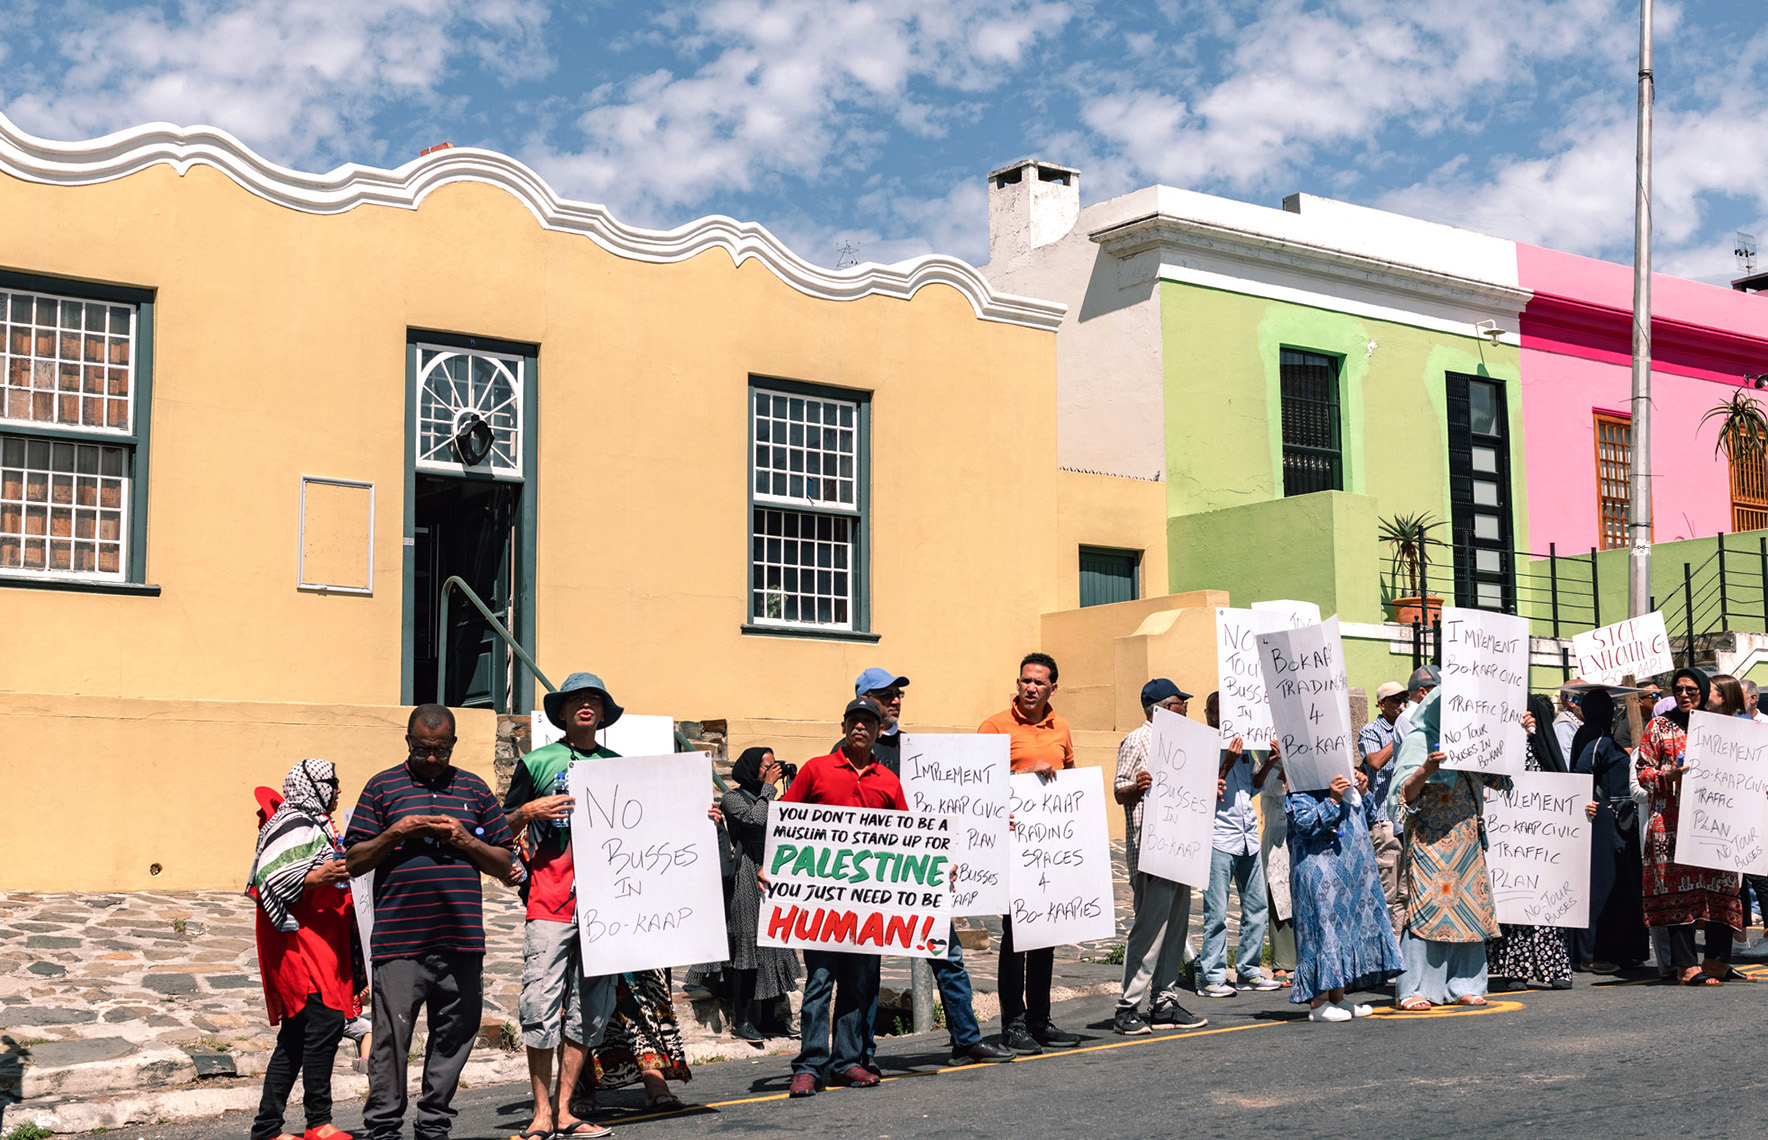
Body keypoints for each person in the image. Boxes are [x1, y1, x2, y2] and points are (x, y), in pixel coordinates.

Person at [343, 705, 515, 1140]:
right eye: (422, 750)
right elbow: (354, 860)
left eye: (439, 750)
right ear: (407, 742)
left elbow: (503, 860)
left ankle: (433, 1122)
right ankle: (383, 1127)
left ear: (453, 745)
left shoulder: (474, 791)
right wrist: (396, 833)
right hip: (399, 941)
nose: (432, 759)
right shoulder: (383, 787)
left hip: (460, 938)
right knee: (390, 1039)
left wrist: (460, 838)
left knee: (455, 1034)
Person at [847, 671, 1011, 1066]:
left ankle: (966, 1039)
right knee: (867, 970)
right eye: (886, 695)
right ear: (864, 700)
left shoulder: (919, 749)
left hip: (920, 873)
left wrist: (991, 819)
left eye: (898, 694)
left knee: (949, 958)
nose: (896, 700)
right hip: (871, 877)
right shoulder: (849, 750)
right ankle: (864, 1053)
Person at [501, 673, 624, 1139]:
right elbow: (499, 827)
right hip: (549, 899)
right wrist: (527, 813)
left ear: (602, 712)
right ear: (564, 711)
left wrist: (700, 816)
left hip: (607, 908)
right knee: (540, 1003)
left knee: (591, 1009)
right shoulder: (536, 762)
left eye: (594, 698)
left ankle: (565, 1108)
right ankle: (540, 1113)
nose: (586, 705)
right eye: (577, 699)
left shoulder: (618, 765)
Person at [780, 696, 906, 1097]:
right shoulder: (816, 769)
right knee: (819, 983)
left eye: (868, 722)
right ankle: (810, 1064)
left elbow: (909, 841)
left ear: (878, 731)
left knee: (859, 985)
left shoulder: (889, 781)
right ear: (843, 726)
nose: (860, 727)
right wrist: (770, 866)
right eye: (853, 720)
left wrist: (939, 869)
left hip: (869, 907)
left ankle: (848, 1060)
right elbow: (784, 820)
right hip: (821, 905)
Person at [247, 759, 358, 1140]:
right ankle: (318, 1123)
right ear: (312, 785)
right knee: (323, 1026)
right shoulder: (294, 823)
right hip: (301, 945)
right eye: (333, 782)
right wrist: (319, 877)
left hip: (321, 942)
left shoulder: (315, 823)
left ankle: (268, 1128)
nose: (338, 789)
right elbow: (270, 877)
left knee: (296, 1036)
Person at [978, 652, 1082, 1054]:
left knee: (1045, 932)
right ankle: (1013, 1023)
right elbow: (978, 781)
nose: (1031, 687)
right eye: (1025, 681)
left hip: (1049, 847)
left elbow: (1070, 781)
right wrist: (1021, 775)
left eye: (1039, 682)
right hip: (1010, 845)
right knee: (1016, 936)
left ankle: (1040, 1019)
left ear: (1053, 687)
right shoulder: (995, 726)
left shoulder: (1063, 728)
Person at [1389, 689, 1511, 1009]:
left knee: (1468, 911)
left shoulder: (1472, 740)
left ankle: (1464, 984)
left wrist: (1514, 734)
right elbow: (1405, 795)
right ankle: (1414, 989)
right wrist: (1426, 770)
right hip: (1429, 844)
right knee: (1425, 912)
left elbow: (1500, 779)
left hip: (1466, 843)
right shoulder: (1419, 741)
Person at [1112, 679, 1209, 1035]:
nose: (1186, 708)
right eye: (1181, 703)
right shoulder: (1137, 740)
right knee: (1149, 932)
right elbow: (1120, 789)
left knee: (1176, 930)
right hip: (1151, 851)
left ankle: (1164, 1001)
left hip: (1181, 848)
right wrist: (1136, 786)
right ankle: (1127, 1007)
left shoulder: (1185, 743)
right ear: (1165, 708)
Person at [1637, 668, 1745, 985]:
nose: (1684, 695)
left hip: (1717, 823)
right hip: (1672, 825)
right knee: (1677, 894)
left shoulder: (1722, 728)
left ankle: (1717, 962)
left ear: (1702, 691)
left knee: (1722, 891)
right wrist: (1666, 775)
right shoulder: (1659, 726)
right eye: (1679, 689)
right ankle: (1686, 965)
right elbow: (1643, 771)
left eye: (1691, 690)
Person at [1286, 766, 1404, 1022]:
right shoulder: (1302, 783)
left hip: (1349, 867)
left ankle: (1338, 997)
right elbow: (1304, 824)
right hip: (1319, 866)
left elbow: (1371, 817)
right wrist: (1332, 800)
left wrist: (1364, 790)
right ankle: (1319, 1002)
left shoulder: (1346, 776)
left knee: (1344, 930)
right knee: (1323, 930)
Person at [1485, 695, 1579, 992]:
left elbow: (1564, 792)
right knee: (1516, 907)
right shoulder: (1510, 747)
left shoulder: (1546, 750)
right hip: (1513, 842)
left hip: (1545, 843)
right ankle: (1517, 971)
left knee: (1549, 909)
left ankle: (1555, 969)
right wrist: (1516, 736)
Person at [713, 747, 802, 1043]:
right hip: (746, 875)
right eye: (767, 766)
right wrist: (768, 790)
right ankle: (741, 1021)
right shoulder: (732, 798)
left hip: (773, 872)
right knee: (747, 947)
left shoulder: (771, 795)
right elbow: (756, 820)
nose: (772, 769)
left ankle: (769, 1018)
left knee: (774, 945)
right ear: (753, 769)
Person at [1197, 692, 1276, 998]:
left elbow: (1251, 788)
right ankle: (1212, 976)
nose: (1215, 718)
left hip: (1247, 837)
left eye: (1221, 713)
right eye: (1211, 712)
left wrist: (1268, 764)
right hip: (1218, 838)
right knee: (1216, 912)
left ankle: (1249, 970)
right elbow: (1203, 792)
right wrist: (1226, 762)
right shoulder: (1204, 747)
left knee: (1257, 907)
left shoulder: (1243, 746)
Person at [1567, 688, 1649, 971]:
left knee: (1618, 886)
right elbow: (1580, 776)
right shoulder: (1598, 739)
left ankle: (1618, 950)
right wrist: (1591, 804)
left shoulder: (1595, 735)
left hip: (1614, 823)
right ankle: (1593, 953)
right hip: (1608, 825)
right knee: (1607, 886)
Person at [1358, 681, 1408, 936]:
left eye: (1404, 699)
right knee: (1386, 890)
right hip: (1383, 820)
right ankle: (1381, 949)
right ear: (1381, 704)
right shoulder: (1371, 730)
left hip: (1406, 819)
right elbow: (1375, 762)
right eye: (1395, 700)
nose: (1401, 705)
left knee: (1404, 893)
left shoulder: (1410, 726)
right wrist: (1400, 736)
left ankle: (1398, 951)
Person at [1552, 690, 1583, 763]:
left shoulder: (1576, 724)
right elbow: (1566, 765)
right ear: (1572, 702)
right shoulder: (1565, 727)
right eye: (1587, 699)